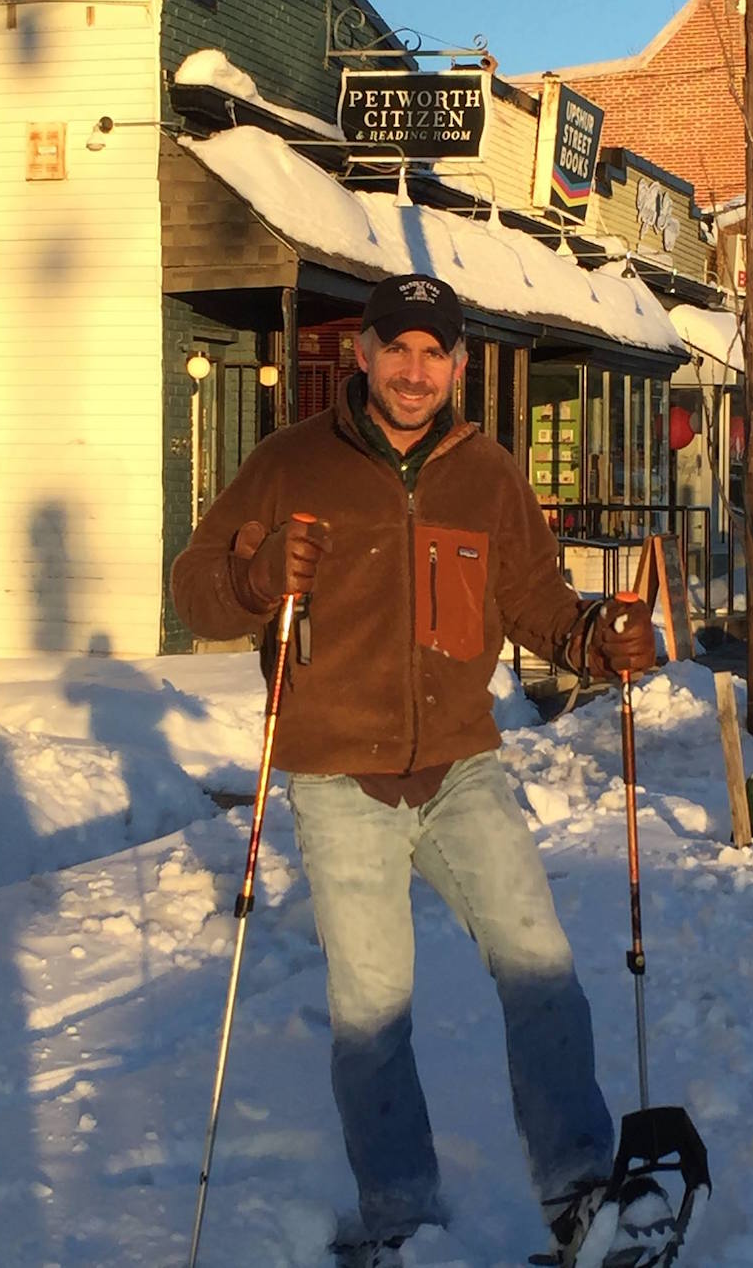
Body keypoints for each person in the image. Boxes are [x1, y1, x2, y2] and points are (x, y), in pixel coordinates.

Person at [172, 274, 663, 1268]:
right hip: (337, 777)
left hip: (461, 769)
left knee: (543, 975)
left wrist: (597, 637)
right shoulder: (289, 462)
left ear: (458, 365)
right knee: (371, 1011)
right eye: (395, 348)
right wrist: (257, 581)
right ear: (361, 354)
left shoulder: (486, 473)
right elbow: (197, 592)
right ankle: (398, 1213)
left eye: (432, 353)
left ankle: (581, 1196)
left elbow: (534, 600)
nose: (413, 370)